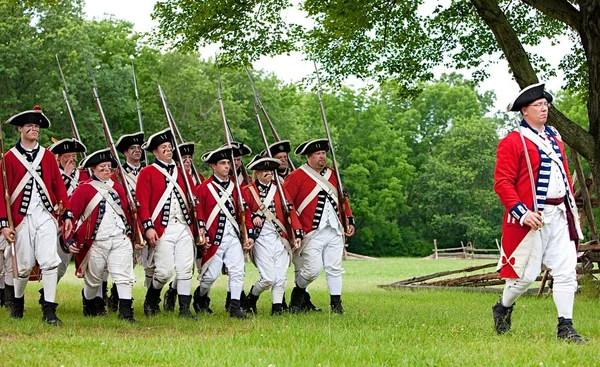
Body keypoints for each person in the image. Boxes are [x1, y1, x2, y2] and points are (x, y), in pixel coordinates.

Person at [492, 82, 586, 343]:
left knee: (567, 272)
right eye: (538, 105)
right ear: (525, 111)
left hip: (560, 214)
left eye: (545, 104)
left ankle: (565, 327)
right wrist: (523, 213)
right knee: (524, 277)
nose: (544, 109)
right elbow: (502, 183)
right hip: (532, 219)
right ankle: (503, 306)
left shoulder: (555, 137)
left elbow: (563, 176)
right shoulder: (513, 141)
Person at [0, 106, 74, 325]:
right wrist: (4, 224)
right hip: (21, 219)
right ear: (21, 129)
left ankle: (50, 311)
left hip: (45, 216)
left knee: (50, 261)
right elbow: (1, 195)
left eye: (37, 127)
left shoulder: (48, 157)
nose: (34, 130)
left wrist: (67, 214)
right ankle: (18, 302)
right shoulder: (8, 159)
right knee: (22, 267)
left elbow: (59, 187)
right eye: (30, 126)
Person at [283, 139, 355, 314]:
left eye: (324, 153)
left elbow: (342, 199)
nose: (322, 156)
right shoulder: (296, 176)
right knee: (311, 271)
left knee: (334, 267)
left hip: (335, 228)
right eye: (318, 154)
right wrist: (296, 228)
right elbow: (286, 204)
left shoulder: (333, 173)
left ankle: (336, 304)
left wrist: (349, 219)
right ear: (309, 156)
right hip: (311, 231)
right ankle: (299, 290)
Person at [68, 148, 136, 322]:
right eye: (102, 167)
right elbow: (70, 215)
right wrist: (68, 239)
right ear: (93, 169)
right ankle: (89, 302)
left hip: (120, 238)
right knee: (93, 280)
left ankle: (126, 313)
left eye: (109, 167)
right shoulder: (84, 190)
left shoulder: (119, 188)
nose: (107, 170)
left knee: (123, 277)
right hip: (96, 241)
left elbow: (127, 214)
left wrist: (134, 235)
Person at [136, 128, 197, 319]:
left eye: (170, 147)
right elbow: (142, 203)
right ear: (155, 152)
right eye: (164, 147)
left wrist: (199, 225)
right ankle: (152, 298)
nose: (168, 150)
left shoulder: (183, 172)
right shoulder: (147, 172)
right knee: (164, 271)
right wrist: (148, 227)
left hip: (183, 226)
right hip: (162, 228)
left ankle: (185, 310)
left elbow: (194, 199)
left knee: (186, 268)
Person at [193, 145, 255, 319]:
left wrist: (249, 234)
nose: (227, 166)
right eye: (223, 163)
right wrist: (202, 234)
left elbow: (245, 212)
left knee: (238, 270)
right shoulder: (204, 188)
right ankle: (201, 296)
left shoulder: (236, 188)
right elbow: (200, 214)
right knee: (209, 276)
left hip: (233, 236)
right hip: (214, 238)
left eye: (228, 163)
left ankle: (235, 307)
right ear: (213, 166)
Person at [242, 155, 303, 315]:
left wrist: (296, 232)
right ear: (256, 172)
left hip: (280, 236)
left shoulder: (281, 189)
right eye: (264, 170)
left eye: (270, 170)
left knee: (281, 276)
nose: (268, 173)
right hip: (260, 238)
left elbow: (291, 210)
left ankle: (277, 308)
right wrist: (253, 216)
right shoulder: (248, 191)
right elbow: (242, 213)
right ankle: (252, 297)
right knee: (268, 277)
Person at [162, 141, 205, 312]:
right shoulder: (177, 176)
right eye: (184, 158)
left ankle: (179, 297)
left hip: (191, 226)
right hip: (176, 225)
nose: (187, 161)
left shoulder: (197, 177)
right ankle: (172, 292)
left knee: (188, 266)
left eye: (189, 158)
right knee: (175, 267)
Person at [107, 131, 145, 312]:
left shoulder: (147, 172)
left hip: (146, 221)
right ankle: (116, 294)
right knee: (125, 261)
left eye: (139, 148)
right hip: (126, 222)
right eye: (133, 148)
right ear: (125, 153)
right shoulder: (117, 175)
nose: (137, 151)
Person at [49, 138, 89, 286]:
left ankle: (47, 293)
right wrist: (65, 175)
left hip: (74, 225)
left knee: (61, 265)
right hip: (53, 223)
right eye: (67, 156)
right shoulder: (51, 175)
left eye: (73, 156)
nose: (71, 159)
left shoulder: (84, 175)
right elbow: (54, 197)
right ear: (58, 158)